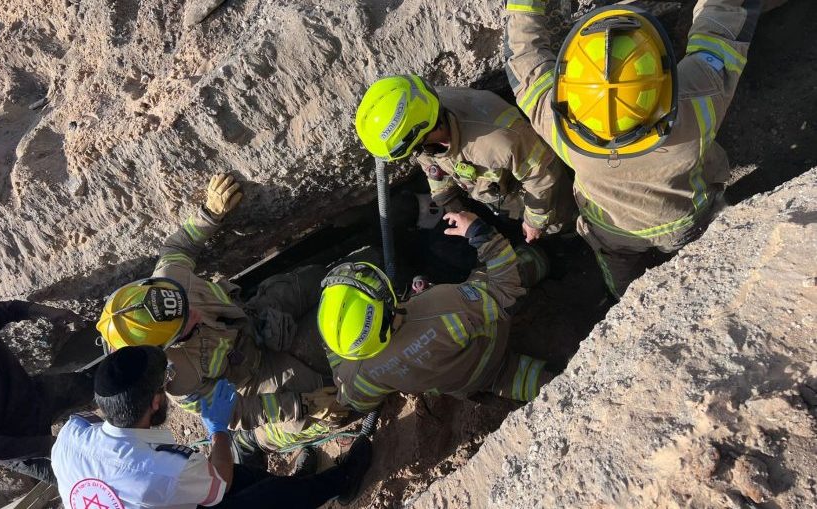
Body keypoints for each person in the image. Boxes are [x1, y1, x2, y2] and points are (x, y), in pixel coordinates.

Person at [503, 0, 762, 297]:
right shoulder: (695, 96)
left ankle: (623, 301)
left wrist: (524, 6)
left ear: (570, 92)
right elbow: (722, 29)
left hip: (613, 232)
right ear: (664, 79)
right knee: (706, 270)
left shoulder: (561, 128)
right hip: (685, 219)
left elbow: (523, 59)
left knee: (620, 275)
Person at [95, 173, 349, 455]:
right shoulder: (179, 382)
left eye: (186, 305)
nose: (195, 314)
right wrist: (303, 404)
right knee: (335, 400)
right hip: (254, 376)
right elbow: (234, 411)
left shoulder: (169, 279)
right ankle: (261, 441)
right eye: (185, 325)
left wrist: (209, 213)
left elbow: (180, 246)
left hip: (253, 315)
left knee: (321, 280)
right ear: (164, 349)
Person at [51, 345, 372, 508]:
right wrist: (218, 428)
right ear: (154, 403)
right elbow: (219, 481)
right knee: (267, 497)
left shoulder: (68, 438)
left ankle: (299, 487)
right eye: (164, 384)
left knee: (245, 476)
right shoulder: (161, 466)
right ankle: (342, 482)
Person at [317, 211, 554, 413]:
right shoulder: (441, 308)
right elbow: (505, 292)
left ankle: (532, 381)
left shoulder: (358, 373)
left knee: (532, 383)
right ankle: (545, 257)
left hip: (470, 382)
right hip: (489, 344)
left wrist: (335, 349)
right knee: (506, 272)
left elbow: (354, 399)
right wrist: (482, 235)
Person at [355, 75, 575, 243]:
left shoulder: (498, 141)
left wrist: (535, 221)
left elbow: (543, 177)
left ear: (425, 133)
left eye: (416, 147)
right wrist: (448, 201)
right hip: (499, 195)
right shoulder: (424, 110)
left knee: (558, 222)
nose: (417, 152)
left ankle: (570, 233)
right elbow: (430, 163)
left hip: (538, 194)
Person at [0, 301, 94, 483]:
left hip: (34, 395)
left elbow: (4, 310)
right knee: (82, 481)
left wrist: (48, 311)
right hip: (16, 442)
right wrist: (48, 446)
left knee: (95, 381)